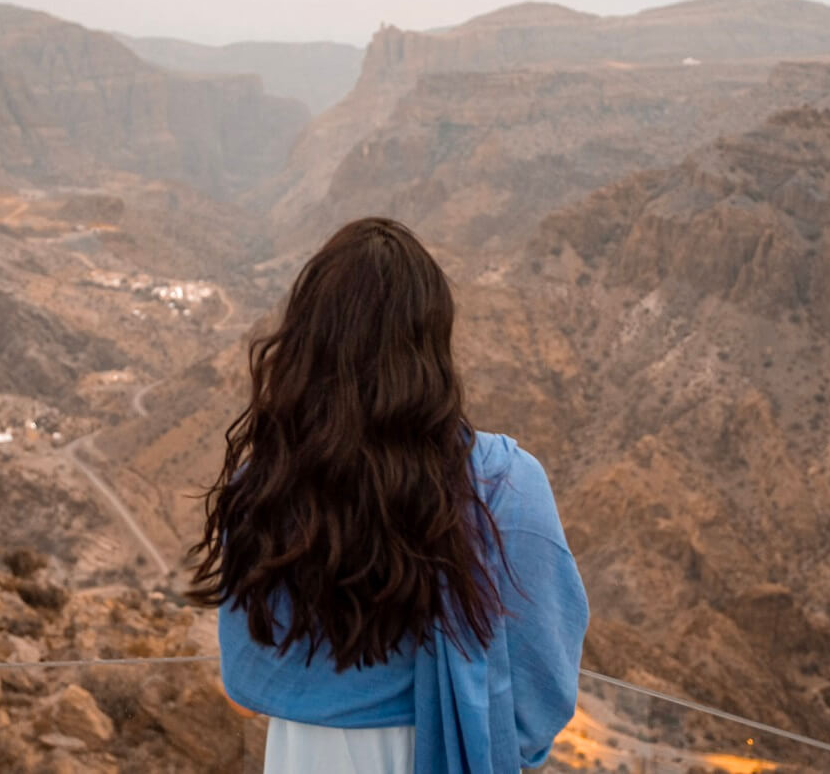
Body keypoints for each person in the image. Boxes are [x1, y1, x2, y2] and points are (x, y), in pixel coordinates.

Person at [188, 217, 588, 773]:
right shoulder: (508, 487)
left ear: (308, 341)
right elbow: (542, 692)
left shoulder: (269, 486)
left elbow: (246, 685)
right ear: (434, 345)